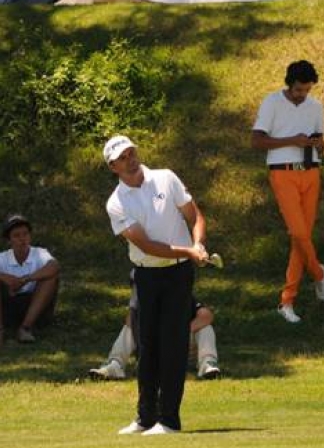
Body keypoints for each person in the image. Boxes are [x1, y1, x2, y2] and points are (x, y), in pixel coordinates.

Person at [103, 135, 210, 436]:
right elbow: (148, 246)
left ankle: (169, 420)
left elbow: (195, 215)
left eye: (132, 152)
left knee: (173, 346)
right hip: (146, 275)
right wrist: (188, 250)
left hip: (178, 275)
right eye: (123, 157)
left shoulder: (166, 177)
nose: (130, 159)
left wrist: (198, 243)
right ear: (113, 166)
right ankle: (145, 417)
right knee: (146, 345)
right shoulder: (116, 203)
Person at [251, 60, 324, 324]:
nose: (302, 94)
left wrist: (319, 144)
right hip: (282, 171)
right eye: (298, 89)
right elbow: (257, 141)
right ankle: (318, 274)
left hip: (311, 170)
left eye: (306, 90)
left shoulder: (316, 106)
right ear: (289, 84)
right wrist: (291, 140)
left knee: (302, 237)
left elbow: (323, 144)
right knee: (298, 232)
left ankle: (287, 301)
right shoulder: (272, 102)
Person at [89, 283, 220, 381]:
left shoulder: (181, 294)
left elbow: (206, 316)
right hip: (154, 348)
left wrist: (177, 333)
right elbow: (130, 321)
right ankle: (115, 365)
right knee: (129, 328)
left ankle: (207, 365)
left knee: (206, 328)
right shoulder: (144, 298)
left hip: (182, 346)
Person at [0, 214, 60, 344]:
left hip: (36, 308)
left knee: (50, 278)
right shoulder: (2, 258)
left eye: (25, 234)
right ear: (9, 240)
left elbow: (55, 266)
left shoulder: (40, 253)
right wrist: (3, 277)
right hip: (9, 308)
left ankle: (26, 328)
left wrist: (26, 279)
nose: (22, 239)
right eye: (17, 236)